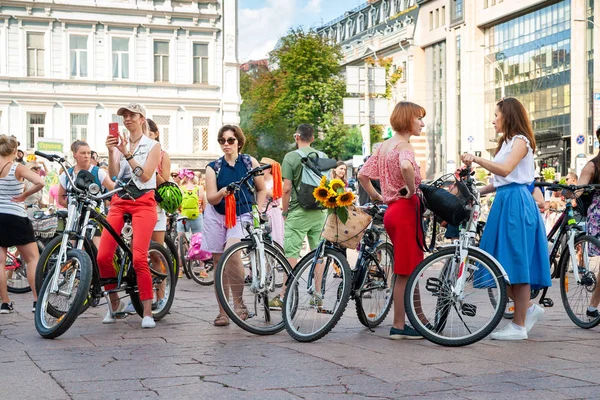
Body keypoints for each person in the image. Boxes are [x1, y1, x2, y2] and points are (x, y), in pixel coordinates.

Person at [461, 97, 551, 340]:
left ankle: (519, 326)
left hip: (516, 204)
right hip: (506, 200)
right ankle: (529, 309)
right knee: (500, 264)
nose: (493, 120)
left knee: (516, 261)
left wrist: (477, 158)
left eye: (496, 116)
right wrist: (473, 192)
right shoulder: (507, 142)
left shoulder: (521, 141)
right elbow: (499, 181)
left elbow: (506, 170)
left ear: (508, 116)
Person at [358, 101, 425, 339]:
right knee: (406, 271)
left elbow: (362, 174)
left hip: (391, 211)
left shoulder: (384, 146)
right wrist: (411, 187)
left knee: (409, 267)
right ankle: (399, 325)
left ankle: (420, 319)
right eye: (419, 118)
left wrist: (378, 196)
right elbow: (407, 165)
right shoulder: (404, 145)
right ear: (408, 119)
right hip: (405, 209)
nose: (422, 123)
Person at [98, 103, 161, 329]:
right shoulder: (120, 144)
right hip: (120, 199)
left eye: (132, 115)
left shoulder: (153, 146)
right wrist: (111, 151)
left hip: (143, 202)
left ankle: (147, 312)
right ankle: (114, 305)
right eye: (124, 116)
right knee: (103, 256)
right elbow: (115, 176)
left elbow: (145, 177)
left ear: (142, 118)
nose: (127, 119)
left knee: (139, 258)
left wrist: (127, 153)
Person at [201, 125, 266, 326]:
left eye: (230, 140)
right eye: (222, 140)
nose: (226, 144)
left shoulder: (249, 162)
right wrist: (223, 192)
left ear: (239, 141)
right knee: (218, 261)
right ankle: (223, 312)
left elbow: (262, 189)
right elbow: (211, 198)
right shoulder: (213, 167)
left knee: (232, 251)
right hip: (217, 213)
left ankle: (239, 304)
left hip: (241, 213)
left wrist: (259, 211)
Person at [268, 124, 328, 309]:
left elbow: (286, 188)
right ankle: (317, 296)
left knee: (291, 253)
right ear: (313, 138)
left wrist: (285, 212)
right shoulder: (323, 156)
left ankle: (285, 295)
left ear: (297, 137)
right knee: (319, 253)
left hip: (298, 211)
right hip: (320, 211)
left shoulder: (291, 157)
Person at [123, 118, 173, 315]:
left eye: (148, 133)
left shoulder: (161, 154)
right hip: (135, 204)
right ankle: (136, 296)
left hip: (156, 207)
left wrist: (149, 170)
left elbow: (165, 182)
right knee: (135, 253)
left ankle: (161, 296)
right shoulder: (132, 150)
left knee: (155, 253)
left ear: (155, 134)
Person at [0, 135, 43, 313]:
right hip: (16, 216)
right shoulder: (17, 167)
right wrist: (24, 196)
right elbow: (40, 182)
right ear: (15, 151)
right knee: (33, 259)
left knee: (0, 263)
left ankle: (5, 303)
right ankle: (37, 300)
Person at [58, 140, 114, 247]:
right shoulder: (67, 174)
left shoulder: (98, 172)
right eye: (83, 153)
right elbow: (60, 199)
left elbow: (112, 188)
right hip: (73, 220)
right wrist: (74, 206)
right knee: (73, 253)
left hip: (94, 219)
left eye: (88, 153)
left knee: (96, 253)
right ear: (75, 154)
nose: (87, 156)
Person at [576, 126, 600, 316]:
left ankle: (592, 307)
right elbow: (580, 188)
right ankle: (592, 306)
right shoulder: (593, 165)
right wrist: (573, 192)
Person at [260, 157, 284, 247]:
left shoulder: (276, 182)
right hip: (260, 212)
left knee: (275, 239)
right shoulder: (259, 181)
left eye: (262, 167)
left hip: (273, 213)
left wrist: (260, 188)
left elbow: (273, 194)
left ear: (269, 169)